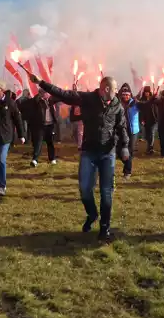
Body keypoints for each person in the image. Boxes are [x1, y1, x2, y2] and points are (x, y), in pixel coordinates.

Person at [27, 72, 129, 241]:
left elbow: (122, 127)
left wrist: (124, 147)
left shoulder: (117, 106)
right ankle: (92, 214)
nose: (118, 91)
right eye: (116, 88)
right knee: (84, 190)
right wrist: (41, 83)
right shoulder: (88, 99)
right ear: (106, 89)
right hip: (89, 151)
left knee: (106, 192)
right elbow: (64, 94)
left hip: (107, 153)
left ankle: (105, 228)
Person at [20, 88, 59, 167]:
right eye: (46, 93)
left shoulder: (51, 100)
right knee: (38, 142)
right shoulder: (37, 101)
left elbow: (59, 97)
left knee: (50, 142)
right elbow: (28, 103)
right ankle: (35, 159)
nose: (48, 94)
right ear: (42, 94)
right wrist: (39, 96)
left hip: (50, 125)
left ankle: (52, 158)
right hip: (41, 125)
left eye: (48, 93)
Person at [118, 83, 140, 179]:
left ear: (130, 95)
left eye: (127, 95)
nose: (126, 96)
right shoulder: (118, 103)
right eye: (124, 95)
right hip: (121, 130)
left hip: (132, 131)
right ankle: (127, 165)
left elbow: (146, 104)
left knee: (129, 152)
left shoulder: (135, 103)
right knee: (119, 151)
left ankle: (127, 172)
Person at [137, 86, 158, 155]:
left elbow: (157, 101)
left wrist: (155, 96)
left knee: (151, 133)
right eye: (146, 92)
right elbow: (141, 111)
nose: (147, 94)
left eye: (148, 92)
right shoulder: (142, 100)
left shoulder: (154, 99)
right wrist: (141, 120)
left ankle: (150, 148)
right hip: (146, 120)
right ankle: (149, 147)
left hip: (153, 119)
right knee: (147, 135)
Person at [69, 84, 84, 150]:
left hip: (80, 117)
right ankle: (79, 144)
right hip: (75, 117)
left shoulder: (81, 98)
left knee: (80, 132)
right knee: (77, 132)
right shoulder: (73, 98)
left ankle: (80, 145)